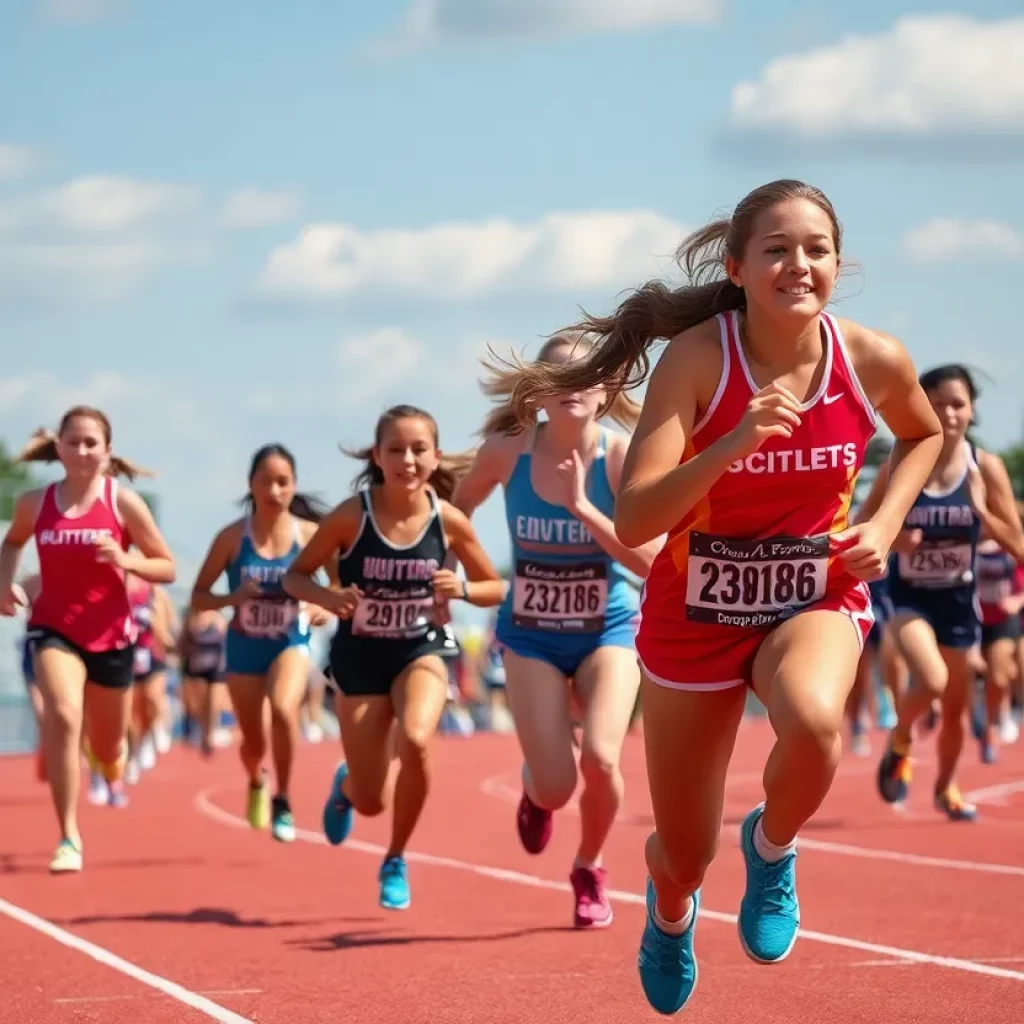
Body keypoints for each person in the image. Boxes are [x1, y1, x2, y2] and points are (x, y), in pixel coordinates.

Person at [502, 180, 944, 1014]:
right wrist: (736, 442)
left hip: (810, 595)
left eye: (816, 249)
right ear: (738, 268)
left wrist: (884, 521)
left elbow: (922, 434)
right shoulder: (701, 359)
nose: (798, 264)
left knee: (814, 722)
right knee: (684, 854)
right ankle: (669, 916)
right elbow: (640, 512)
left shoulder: (870, 357)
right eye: (776, 249)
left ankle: (773, 850)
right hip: (695, 614)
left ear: (838, 264)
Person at [451, 330, 662, 929]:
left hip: (608, 630)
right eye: (558, 378)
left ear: (605, 390)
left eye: (585, 376)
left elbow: (652, 563)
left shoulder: (621, 458)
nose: (572, 388)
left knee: (602, 758)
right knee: (555, 786)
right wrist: (455, 579)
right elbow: (456, 512)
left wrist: (583, 508)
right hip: (532, 633)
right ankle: (534, 789)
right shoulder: (508, 450)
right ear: (538, 394)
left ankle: (589, 866)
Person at [283, 404, 504, 911]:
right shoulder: (349, 516)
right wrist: (326, 599)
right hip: (359, 657)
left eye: (418, 449)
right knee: (370, 798)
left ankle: (396, 858)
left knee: (418, 739)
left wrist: (464, 587)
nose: (408, 459)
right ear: (377, 456)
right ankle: (348, 785)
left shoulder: (447, 520)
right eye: (396, 450)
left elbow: (495, 587)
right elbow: (295, 575)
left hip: (419, 648)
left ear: (436, 456)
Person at [0, 407, 176, 873]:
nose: (81, 451)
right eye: (73, 442)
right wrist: (5, 582)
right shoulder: (34, 503)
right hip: (54, 628)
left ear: (107, 451)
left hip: (112, 637)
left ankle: (112, 761)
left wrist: (126, 559)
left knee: (109, 745)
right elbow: (13, 542)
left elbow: (167, 565)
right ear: (58, 448)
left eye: (90, 443)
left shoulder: (122, 503)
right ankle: (68, 837)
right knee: (61, 715)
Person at [869, 365, 1024, 816]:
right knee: (932, 680)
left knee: (956, 709)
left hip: (959, 600)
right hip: (910, 597)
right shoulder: (901, 460)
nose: (948, 413)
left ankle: (945, 788)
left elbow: (1017, 546)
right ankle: (900, 741)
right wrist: (893, 538)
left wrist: (982, 511)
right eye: (937, 403)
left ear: (971, 409)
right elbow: (861, 526)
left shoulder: (985, 466)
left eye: (957, 404)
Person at [190, 444, 331, 843]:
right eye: (265, 481)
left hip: (290, 639)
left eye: (282, 482)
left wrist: (324, 607)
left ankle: (283, 799)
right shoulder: (233, 538)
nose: (274, 490)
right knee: (252, 742)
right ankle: (256, 778)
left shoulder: (309, 535)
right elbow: (199, 596)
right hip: (244, 647)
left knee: (285, 710)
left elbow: (338, 584)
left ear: (294, 486)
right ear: (251, 485)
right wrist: (232, 600)